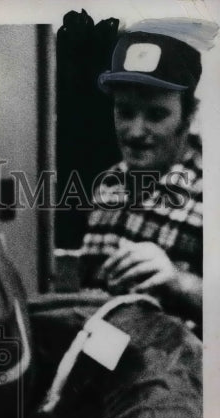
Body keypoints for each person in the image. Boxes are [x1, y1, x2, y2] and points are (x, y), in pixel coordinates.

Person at [79, 24, 205, 322]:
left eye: (156, 114)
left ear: (188, 118)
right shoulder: (108, 185)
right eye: (125, 111)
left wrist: (180, 283)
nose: (135, 131)